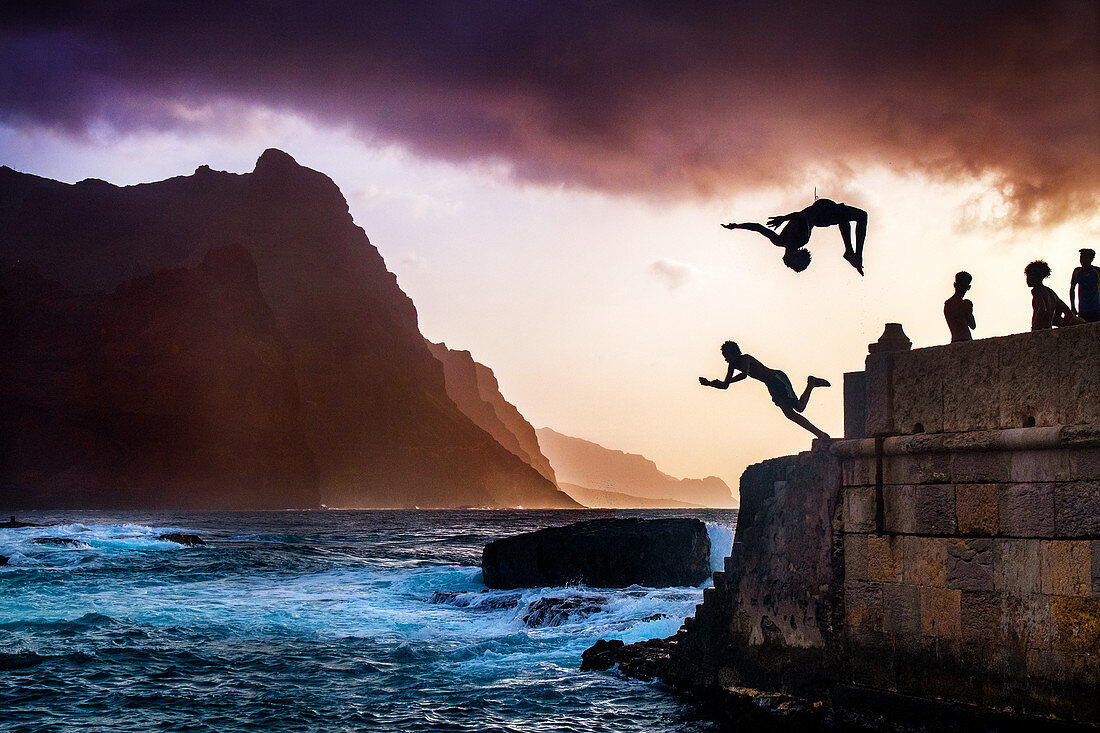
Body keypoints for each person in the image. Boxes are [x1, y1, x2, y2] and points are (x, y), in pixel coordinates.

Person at [699, 340, 831, 439]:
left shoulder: (745, 358)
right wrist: (709, 383)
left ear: (734, 352)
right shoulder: (732, 365)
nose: (725, 359)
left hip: (777, 379)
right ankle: (820, 434)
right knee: (790, 415)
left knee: (799, 408)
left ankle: (811, 383)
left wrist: (726, 381)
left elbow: (744, 374)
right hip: (771, 385)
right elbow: (725, 386)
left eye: (726, 355)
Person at [722, 198, 868, 275]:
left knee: (849, 217)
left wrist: (737, 226)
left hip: (823, 211)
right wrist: (784, 218)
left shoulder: (779, 241)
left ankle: (851, 252)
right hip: (822, 216)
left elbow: (758, 228)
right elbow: (802, 216)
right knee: (852, 216)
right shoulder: (802, 238)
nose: (786, 263)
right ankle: (851, 253)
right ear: (793, 256)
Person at [1025, 260, 1080, 330]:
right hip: (1048, 328)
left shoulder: (1036, 291)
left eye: (1029, 276)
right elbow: (1068, 312)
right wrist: (1063, 325)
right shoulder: (1051, 292)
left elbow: (1042, 308)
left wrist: (1035, 326)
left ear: (1036, 276)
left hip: (1039, 329)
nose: (1027, 279)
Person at [944, 271, 976, 342]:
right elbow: (973, 325)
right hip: (966, 339)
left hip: (955, 340)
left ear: (954, 285)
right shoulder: (965, 304)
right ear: (968, 287)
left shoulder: (948, 304)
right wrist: (969, 310)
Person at [1070, 248, 1100, 323]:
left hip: (1097, 309)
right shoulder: (1077, 271)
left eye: (1086, 258)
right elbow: (1072, 289)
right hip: (1083, 310)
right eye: (1081, 258)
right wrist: (1073, 307)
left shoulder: (1097, 271)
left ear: (1091, 259)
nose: (1083, 260)